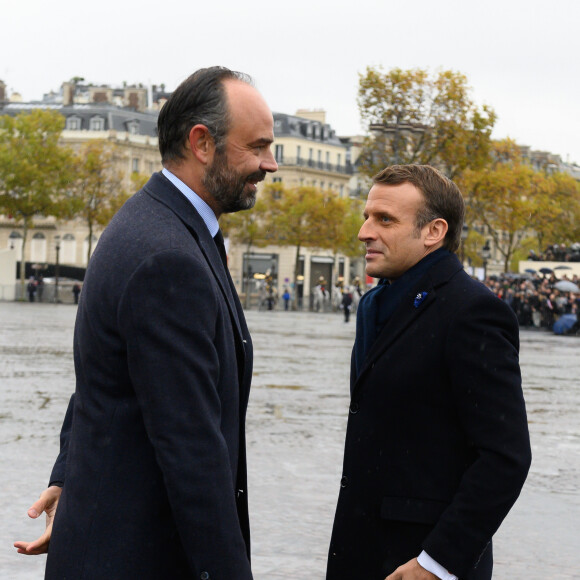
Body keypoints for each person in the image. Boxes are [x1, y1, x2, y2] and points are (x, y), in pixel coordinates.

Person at [14, 66, 278, 579]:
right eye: (259, 146)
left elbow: (104, 377)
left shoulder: (149, 223)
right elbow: (192, 451)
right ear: (202, 143)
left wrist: (71, 474)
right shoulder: (168, 255)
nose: (271, 164)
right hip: (138, 557)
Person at [326, 165, 531, 580]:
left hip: (421, 563)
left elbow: (505, 457)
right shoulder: (373, 304)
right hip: (361, 549)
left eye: (384, 219)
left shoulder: (473, 312)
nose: (365, 231)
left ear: (433, 231)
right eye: (367, 216)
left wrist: (437, 563)